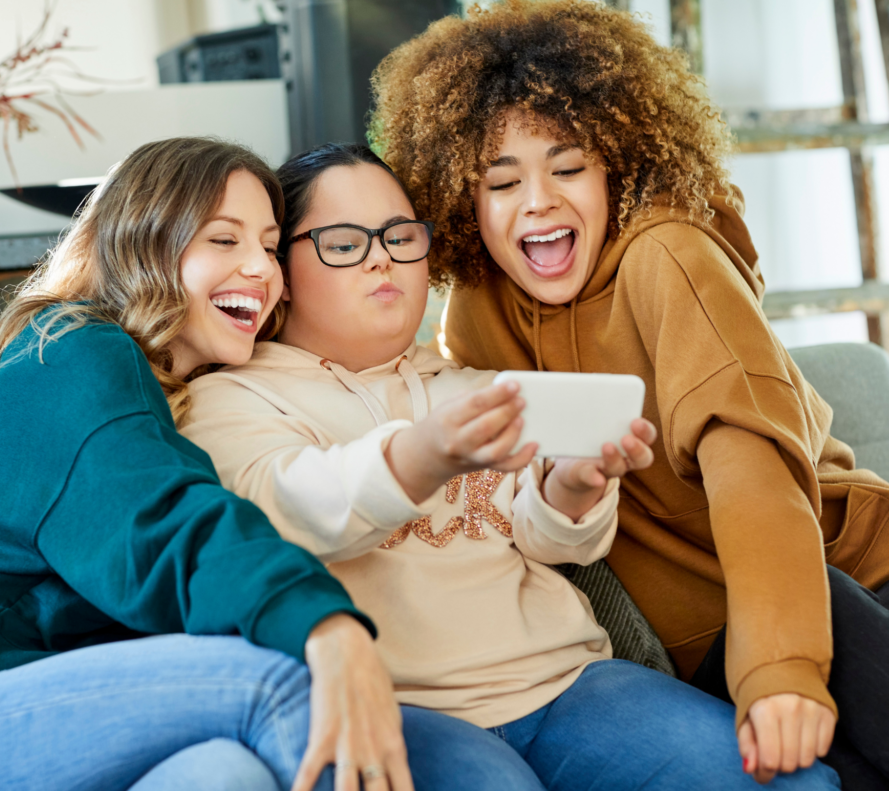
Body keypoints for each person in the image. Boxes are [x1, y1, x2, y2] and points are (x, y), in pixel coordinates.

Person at [0, 137, 545, 791]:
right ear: (143, 242)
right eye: (224, 239)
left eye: (271, 247)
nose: (261, 269)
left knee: (227, 774)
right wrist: (325, 626)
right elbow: (168, 528)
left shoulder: (182, 399)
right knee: (279, 685)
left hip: (42, 708)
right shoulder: (71, 350)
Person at [180, 141, 840, 791]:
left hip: (571, 684)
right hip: (413, 708)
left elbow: (547, 539)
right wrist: (421, 456)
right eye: (346, 243)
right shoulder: (229, 396)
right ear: (281, 270)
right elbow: (283, 510)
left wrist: (571, 487)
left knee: (792, 782)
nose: (382, 258)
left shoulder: (475, 383)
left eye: (401, 236)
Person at [369, 1, 889, 787]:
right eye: (500, 181)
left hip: (833, 587)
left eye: (569, 166)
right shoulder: (478, 310)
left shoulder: (666, 258)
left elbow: (755, 472)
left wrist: (780, 668)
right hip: (699, 652)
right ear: (461, 200)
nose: (537, 200)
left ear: (621, 162)